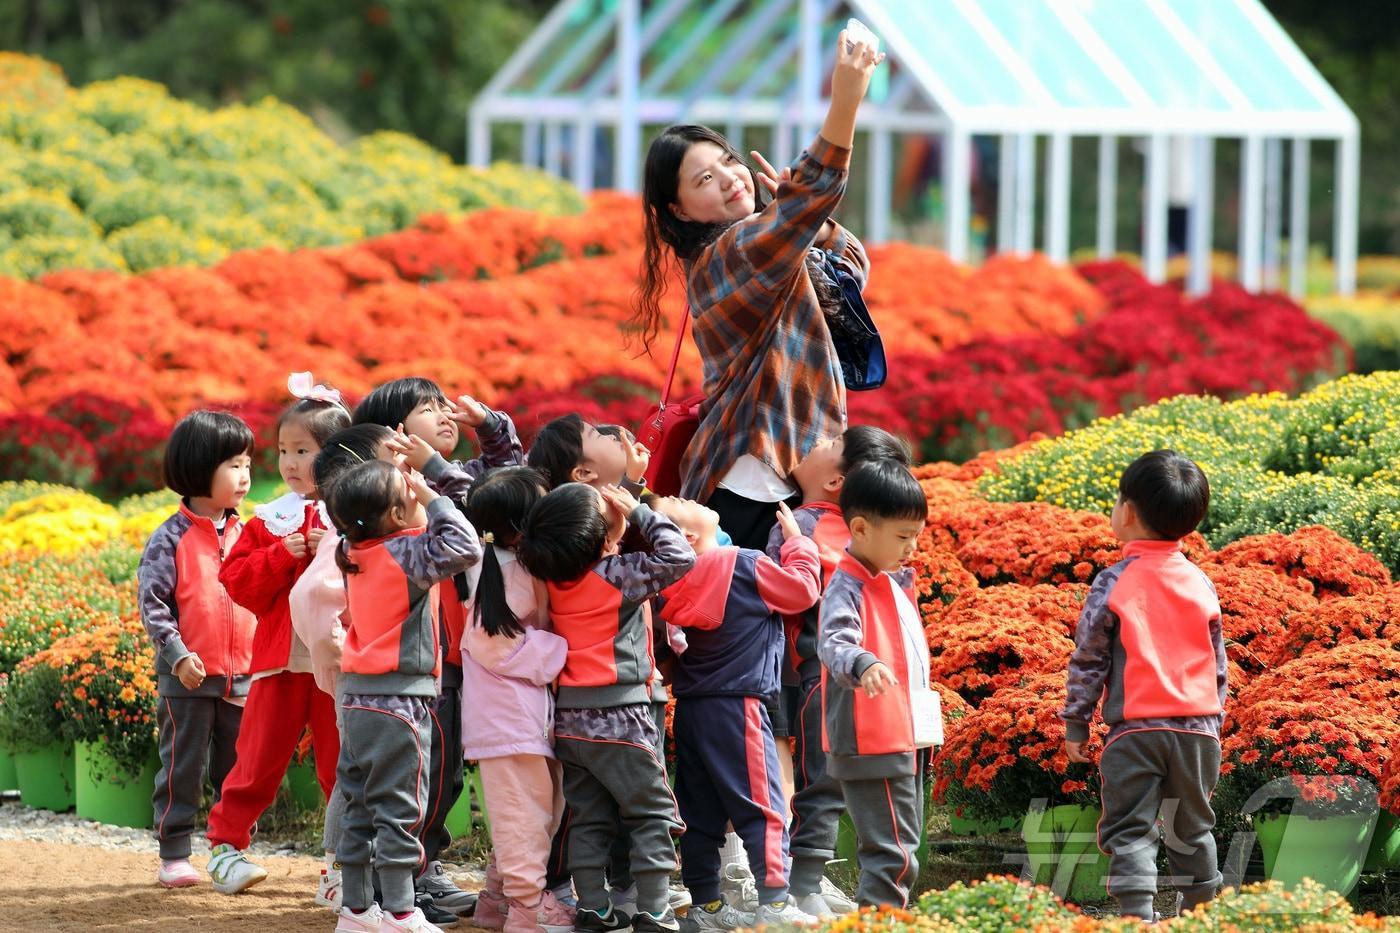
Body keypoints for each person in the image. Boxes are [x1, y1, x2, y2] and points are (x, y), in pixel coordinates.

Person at [633, 27, 885, 551]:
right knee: (753, 630)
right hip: (753, 487)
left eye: (728, 161)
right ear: (678, 210)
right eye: (704, 180)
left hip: (788, 475)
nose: (730, 178)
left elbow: (849, 273)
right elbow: (816, 186)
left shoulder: (759, 249)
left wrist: (804, 222)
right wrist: (845, 99)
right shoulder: (727, 257)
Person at [355, 377, 526, 920]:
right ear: (395, 432)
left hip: (454, 656)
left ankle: (420, 871)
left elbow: (504, 481)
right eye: (430, 410)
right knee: (416, 776)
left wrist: (491, 427)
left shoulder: (446, 479)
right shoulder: (388, 492)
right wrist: (428, 469)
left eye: (446, 408)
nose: (447, 416)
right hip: (415, 661)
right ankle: (400, 882)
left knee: (444, 771)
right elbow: (462, 512)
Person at [518, 483, 695, 933]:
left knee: (590, 818)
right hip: (622, 717)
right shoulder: (617, 574)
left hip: (570, 721)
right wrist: (639, 512)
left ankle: (594, 908)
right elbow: (679, 556)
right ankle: (655, 912)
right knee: (652, 814)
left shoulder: (554, 580)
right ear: (600, 541)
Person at [1060, 450, 1225, 923]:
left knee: (1131, 828)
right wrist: (1215, 724)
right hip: (1198, 731)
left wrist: (1076, 722)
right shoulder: (1200, 582)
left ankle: (1138, 917)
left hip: (1135, 733)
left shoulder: (1114, 582)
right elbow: (1218, 663)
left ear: (1127, 512)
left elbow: (1089, 659)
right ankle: (1200, 914)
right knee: (1192, 829)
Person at [205, 374, 350, 895]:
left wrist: (338, 549)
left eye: (303, 450)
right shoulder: (269, 520)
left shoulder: (358, 514)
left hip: (338, 662)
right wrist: (277, 555)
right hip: (279, 663)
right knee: (259, 758)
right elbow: (237, 583)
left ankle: (343, 863)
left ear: (337, 453)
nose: (289, 463)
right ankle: (226, 847)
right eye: (284, 450)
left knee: (341, 764)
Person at [327, 459, 482, 933]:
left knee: (359, 808)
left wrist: (412, 494)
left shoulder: (354, 551)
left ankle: (355, 910)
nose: (420, 494)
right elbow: (467, 545)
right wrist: (435, 499)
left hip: (356, 700)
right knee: (400, 812)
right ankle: (398, 910)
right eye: (410, 493)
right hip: (399, 702)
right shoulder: (406, 551)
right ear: (396, 515)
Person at [651, 496, 821, 930]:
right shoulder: (743, 564)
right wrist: (799, 544)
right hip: (740, 704)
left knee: (699, 808)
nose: (682, 494)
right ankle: (776, 902)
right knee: (762, 804)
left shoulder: (675, 579)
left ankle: (706, 903)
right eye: (675, 502)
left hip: (691, 709)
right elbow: (801, 591)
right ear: (687, 536)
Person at [766, 426, 910, 917]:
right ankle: (808, 881)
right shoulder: (870, 535)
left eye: (826, 444)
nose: (816, 439)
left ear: (836, 480)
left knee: (819, 781)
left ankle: (804, 883)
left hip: (816, 677)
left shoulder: (799, 526)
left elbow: (778, 590)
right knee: (832, 782)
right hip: (862, 679)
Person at [138, 411, 258, 889]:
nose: (245, 475)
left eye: (248, 463)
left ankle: (230, 851)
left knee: (237, 772)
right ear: (196, 467)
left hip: (244, 675)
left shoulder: (252, 533)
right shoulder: (170, 537)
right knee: (182, 767)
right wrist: (178, 654)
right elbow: (154, 605)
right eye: (233, 464)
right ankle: (174, 853)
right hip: (187, 677)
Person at [817, 460, 940, 909]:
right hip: (873, 739)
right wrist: (863, 662)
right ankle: (879, 920)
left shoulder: (888, 579)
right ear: (862, 529)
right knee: (892, 854)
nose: (912, 547)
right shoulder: (847, 586)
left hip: (902, 734)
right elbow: (834, 642)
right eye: (903, 537)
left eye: (916, 537)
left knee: (901, 847)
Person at [460, 467, 574, 933]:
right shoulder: (503, 573)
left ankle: (498, 900)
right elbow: (494, 644)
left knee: (531, 813)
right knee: (523, 818)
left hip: (521, 719)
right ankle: (528, 909)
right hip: (509, 722)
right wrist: (564, 651)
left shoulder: (508, 567)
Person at [289, 422, 395, 912]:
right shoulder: (348, 537)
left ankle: (346, 872)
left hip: (361, 673)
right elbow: (309, 597)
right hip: (359, 675)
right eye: (392, 458)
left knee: (358, 775)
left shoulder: (357, 532)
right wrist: (337, 653)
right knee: (355, 779)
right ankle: (335, 872)